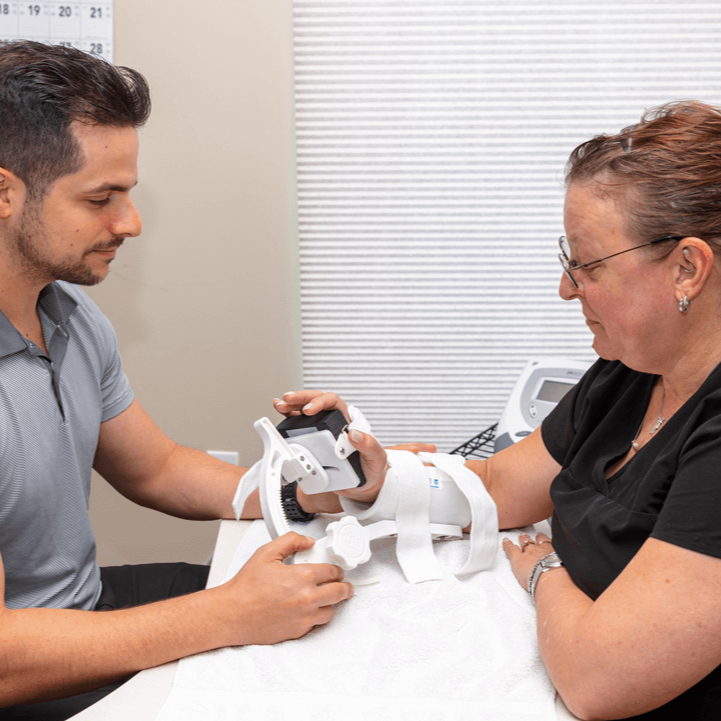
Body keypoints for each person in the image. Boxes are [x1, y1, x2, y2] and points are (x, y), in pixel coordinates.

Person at [282, 101, 721, 720]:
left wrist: (544, 572)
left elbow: (601, 681)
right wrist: (379, 476)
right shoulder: (630, 372)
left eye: (586, 264)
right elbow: (498, 485)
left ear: (687, 268)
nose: (566, 288)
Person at [0, 40, 370, 720]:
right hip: (25, 663)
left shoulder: (70, 313)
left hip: (82, 608)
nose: (129, 223)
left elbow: (157, 468)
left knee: (331, 617)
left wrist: (298, 494)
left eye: (128, 194)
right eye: (101, 198)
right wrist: (223, 615)